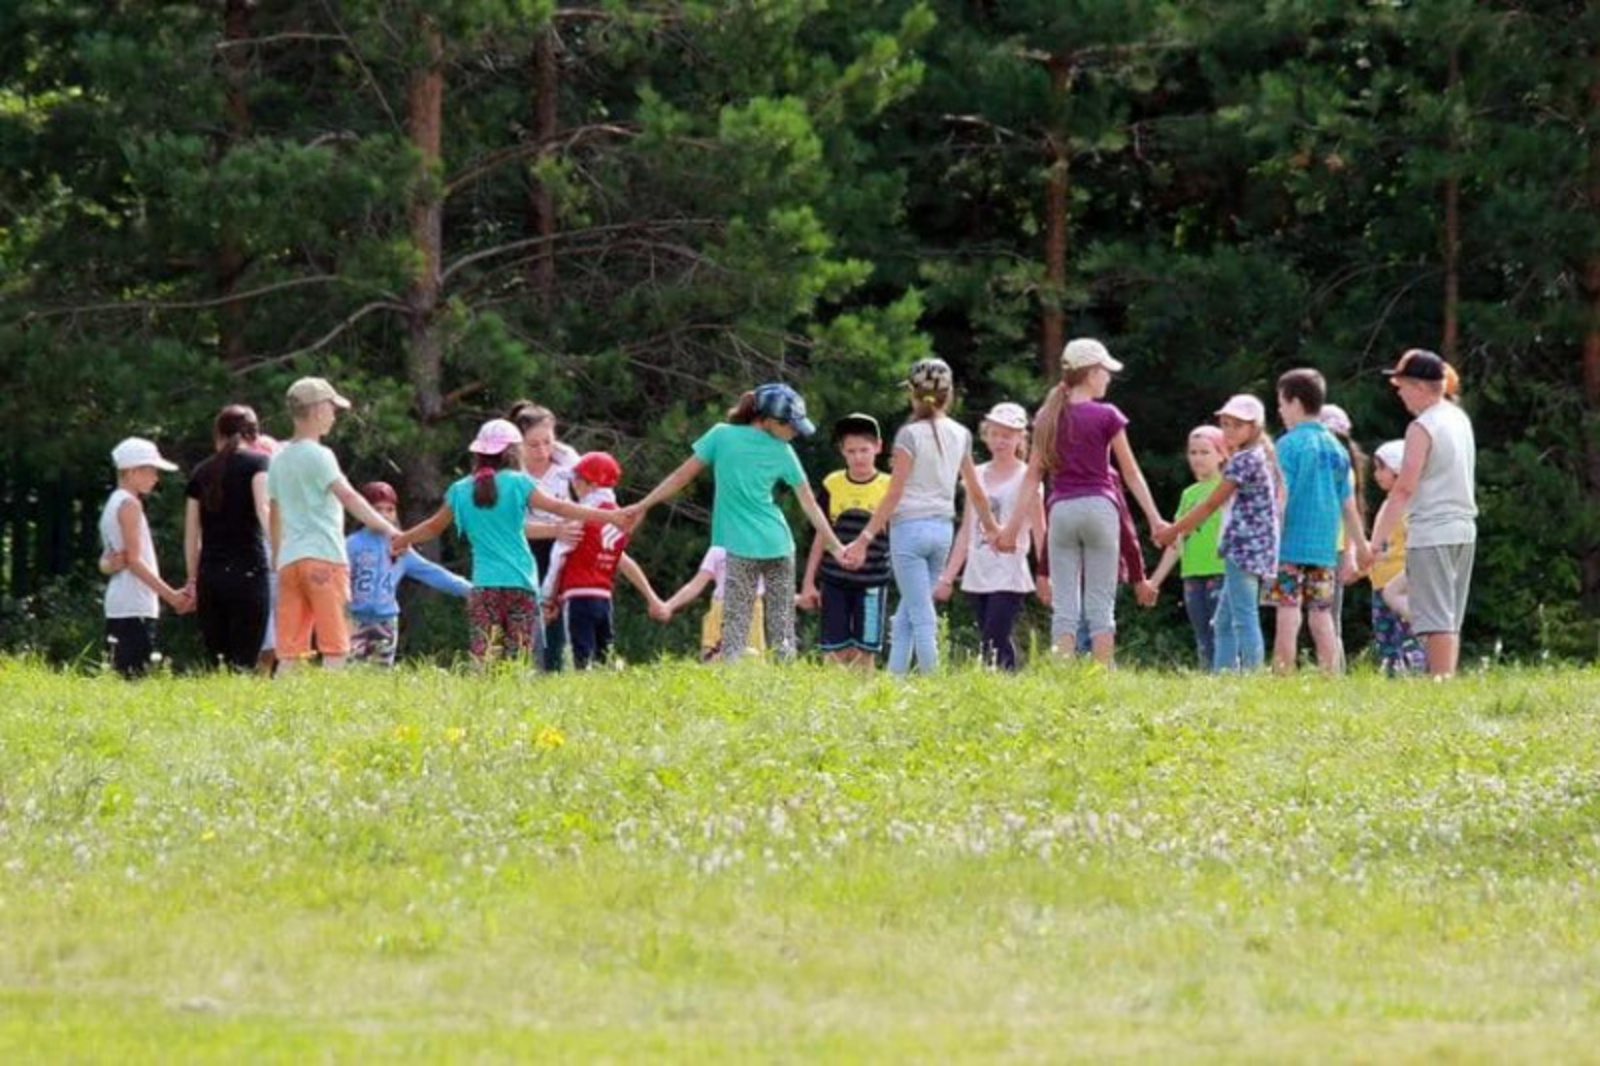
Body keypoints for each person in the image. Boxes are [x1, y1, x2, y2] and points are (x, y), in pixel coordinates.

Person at [624, 384, 849, 663]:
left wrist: (642, 505)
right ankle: (782, 693)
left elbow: (680, 477)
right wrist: (836, 547)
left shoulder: (722, 436)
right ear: (768, 420)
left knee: (736, 634)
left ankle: (740, 693)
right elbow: (810, 506)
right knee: (782, 632)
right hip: (778, 545)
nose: (794, 433)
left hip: (740, 547)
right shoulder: (782, 451)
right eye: (790, 427)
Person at [393, 419, 623, 665]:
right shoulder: (518, 483)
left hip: (484, 585)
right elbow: (560, 506)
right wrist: (608, 515)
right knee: (521, 660)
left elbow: (432, 527)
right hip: (521, 584)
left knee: (484, 658)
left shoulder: (460, 490)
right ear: (514, 452)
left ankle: (482, 702)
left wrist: (402, 539)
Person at [998, 339, 1165, 665]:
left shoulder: (1048, 416)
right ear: (1090, 373)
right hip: (1100, 508)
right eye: (1105, 371)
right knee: (1100, 605)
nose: (1108, 378)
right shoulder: (1107, 415)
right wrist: (1155, 518)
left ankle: (1063, 672)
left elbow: (1032, 478)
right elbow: (1130, 473)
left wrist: (1011, 528)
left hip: (1061, 512)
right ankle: (1102, 675)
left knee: (1065, 607)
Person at [844, 359, 999, 676]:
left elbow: (895, 492)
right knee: (906, 615)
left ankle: (934, 679)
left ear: (912, 395)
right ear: (949, 393)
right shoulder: (961, 434)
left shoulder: (908, 435)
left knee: (920, 612)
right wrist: (994, 529)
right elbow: (976, 491)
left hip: (909, 531)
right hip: (942, 530)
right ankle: (895, 680)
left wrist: (864, 538)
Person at [267, 377, 403, 673]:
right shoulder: (321, 455)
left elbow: (274, 514)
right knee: (337, 645)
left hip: (290, 562)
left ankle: (281, 707)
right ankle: (333, 707)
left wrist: (277, 558)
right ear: (316, 411)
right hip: (325, 558)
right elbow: (349, 497)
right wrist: (388, 528)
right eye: (331, 408)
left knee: (290, 651)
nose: (334, 415)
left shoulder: (278, 460)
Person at [1368, 348, 1477, 678]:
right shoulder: (1457, 418)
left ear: (1417, 386)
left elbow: (1403, 488)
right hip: (1463, 528)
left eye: (1401, 385)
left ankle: (1440, 685)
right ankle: (1444, 679)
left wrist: (1377, 542)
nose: (1399, 394)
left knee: (1434, 617)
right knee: (1449, 616)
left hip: (1432, 530)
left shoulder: (1422, 427)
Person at [1155, 395, 1280, 672]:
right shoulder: (1255, 457)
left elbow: (1211, 503)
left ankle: (1252, 674)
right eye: (1225, 424)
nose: (1229, 431)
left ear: (1254, 427)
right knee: (1222, 621)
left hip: (1243, 548)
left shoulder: (1243, 461)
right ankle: (1223, 675)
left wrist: (1172, 531)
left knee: (1243, 616)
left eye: (1237, 425)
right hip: (1248, 547)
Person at [1269, 369, 1371, 674]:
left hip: (1289, 546)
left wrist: (1269, 535)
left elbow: (1280, 497)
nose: (1280, 411)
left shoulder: (1287, 446)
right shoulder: (1337, 449)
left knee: (1287, 610)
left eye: (1282, 404)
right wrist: (1361, 547)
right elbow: (1349, 506)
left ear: (1296, 402)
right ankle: (1332, 675)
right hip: (1325, 549)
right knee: (1322, 614)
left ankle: (1282, 674)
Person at [936, 402, 1048, 671]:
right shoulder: (975, 475)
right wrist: (948, 577)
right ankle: (1007, 681)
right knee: (990, 639)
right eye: (995, 433)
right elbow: (966, 530)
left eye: (1007, 435)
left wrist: (1046, 575)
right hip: (977, 570)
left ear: (1021, 437)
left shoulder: (1028, 478)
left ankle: (1001, 683)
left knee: (993, 637)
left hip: (1010, 571)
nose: (1000, 440)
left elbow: (1040, 530)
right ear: (985, 435)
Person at [539, 451, 665, 668]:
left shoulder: (581, 516)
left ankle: (585, 692)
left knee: (580, 656)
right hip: (604, 598)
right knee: (603, 654)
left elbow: (558, 557)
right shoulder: (621, 520)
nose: (574, 485)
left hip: (577, 595)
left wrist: (548, 597)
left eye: (577, 479)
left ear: (592, 484)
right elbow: (619, 558)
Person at [798, 413, 894, 669]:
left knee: (866, 649)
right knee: (834, 648)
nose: (858, 457)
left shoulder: (889, 486)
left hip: (873, 580)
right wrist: (809, 582)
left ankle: (864, 701)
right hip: (834, 580)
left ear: (878, 447)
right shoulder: (832, 483)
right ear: (842, 451)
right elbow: (821, 534)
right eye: (851, 451)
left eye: (864, 450)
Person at [182, 405, 272, 671]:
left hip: (210, 574)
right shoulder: (259, 464)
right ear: (254, 435)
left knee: (217, 664)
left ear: (217, 435)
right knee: (244, 662)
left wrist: (192, 578)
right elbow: (263, 510)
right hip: (249, 571)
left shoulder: (201, 472)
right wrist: (280, 551)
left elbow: (191, 533)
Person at [346, 481, 472, 666]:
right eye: (377, 509)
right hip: (354, 619)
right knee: (351, 669)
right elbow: (337, 579)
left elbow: (431, 572)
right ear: (363, 511)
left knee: (379, 674)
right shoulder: (351, 544)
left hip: (386, 620)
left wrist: (468, 589)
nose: (383, 515)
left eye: (389, 509)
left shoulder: (400, 546)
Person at [99, 438, 192, 678]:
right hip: (134, 602)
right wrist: (171, 596)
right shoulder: (130, 504)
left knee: (121, 673)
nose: (155, 477)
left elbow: (108, 559)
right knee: (134, 676)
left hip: (119, 602)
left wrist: (109, 566)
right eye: (150, 471)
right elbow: (134, 560)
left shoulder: (113, 503)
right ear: (131, 472)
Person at [1141, 426, 1227, 669]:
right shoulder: (1188, 494)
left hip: (1221, 571)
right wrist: (1154, 582)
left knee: (1223, 633)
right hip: (1192, 574)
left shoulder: (1228, 488)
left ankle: (1230, 679)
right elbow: (1177, 541)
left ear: (1221, 455)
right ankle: (1208, 682)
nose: (1198, 458)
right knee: (1202, 635)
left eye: (1205, 452)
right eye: (1193, 452)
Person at [507, 401, 579, 671]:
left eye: (547, 442)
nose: (542, 451)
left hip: (563, 544)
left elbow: (589, 499)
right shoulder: (510, 473)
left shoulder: (569, 461)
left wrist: (569, 528)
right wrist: (554, 529)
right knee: (527, 608)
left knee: (558, 608)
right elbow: (509, 526)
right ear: (518, 444)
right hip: (524, 547)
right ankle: (523, 666)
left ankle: (555, 668)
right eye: (533, 445)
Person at [1366, 441, 1426, 675]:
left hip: (1400, 584)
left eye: (1382, 468)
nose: (1376, 474)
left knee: (1407, 634)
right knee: (1386, 638)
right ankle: (1392, 676)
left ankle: (1417, 673)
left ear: (1398, 470)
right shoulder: (1387, 504)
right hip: (1379, 583)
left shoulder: (1408, 505)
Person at [654, 545, 768, 662]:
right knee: (711, 659)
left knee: (752, 659)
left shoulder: (764, 549)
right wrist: (669, 605)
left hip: (751, 609)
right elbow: (695, 585)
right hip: (720, 608)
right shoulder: (718, 550)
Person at [1319, 402, 1367, 663]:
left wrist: (1349, 554)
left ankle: (1333, 671)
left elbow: (1350, 515)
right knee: (1319, 615)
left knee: (1326, 616)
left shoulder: (1342, 470)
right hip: (1320, 547)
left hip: (1332, 549)